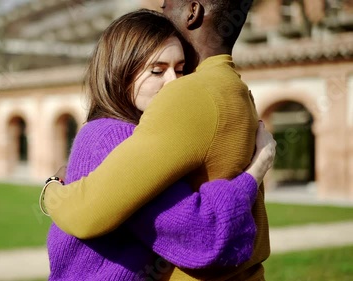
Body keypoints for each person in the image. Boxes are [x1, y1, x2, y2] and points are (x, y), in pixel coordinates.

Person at [43, 0, 271, 280]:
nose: (173, 82)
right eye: (157, 70)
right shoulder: (115, 137)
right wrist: (255, 172)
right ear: (120, 73)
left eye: (180, 68)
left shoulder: (110, 130)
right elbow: (203, 234)